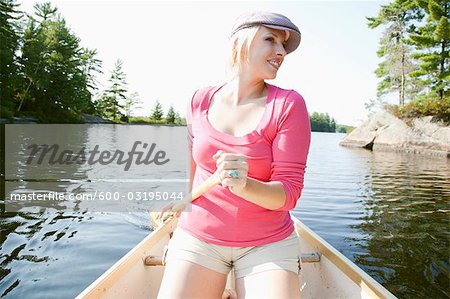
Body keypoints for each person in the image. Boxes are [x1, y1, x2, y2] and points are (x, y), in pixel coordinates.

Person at [157, 11, 311, 299]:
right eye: (271, 40)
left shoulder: (289, 105)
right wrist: (183, 200)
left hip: (267, 245)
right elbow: (192, 165)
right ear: (241, 43)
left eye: (283, 45)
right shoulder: (198, 99)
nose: (281, 52)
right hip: (198, 238)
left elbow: (288, 194)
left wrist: (244, 184)